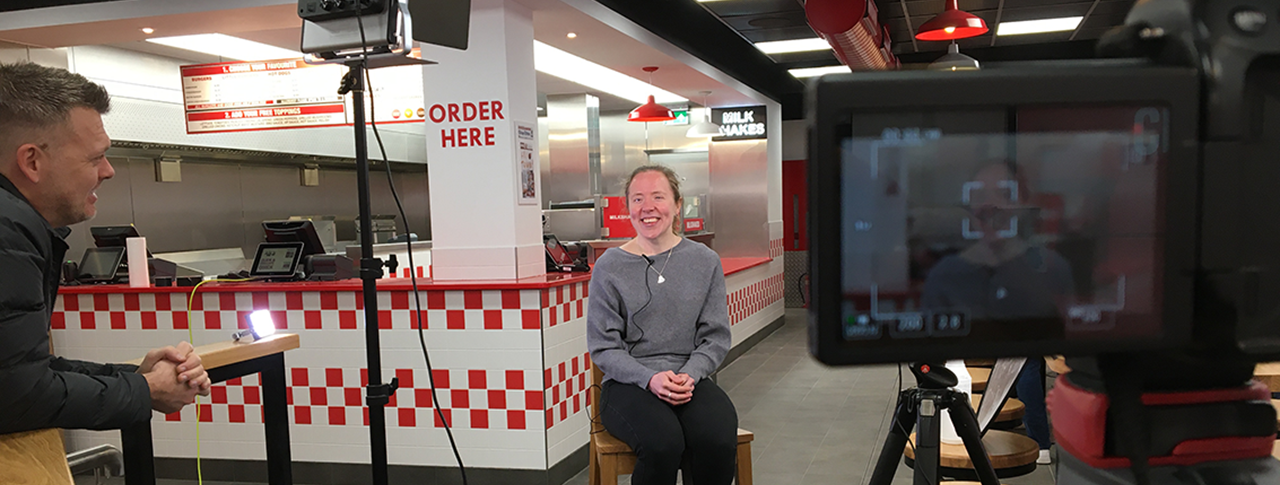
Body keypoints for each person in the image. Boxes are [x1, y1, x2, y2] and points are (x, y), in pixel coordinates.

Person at [0, 62, 211, 435]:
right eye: (95, 158)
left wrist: (133, 377)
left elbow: (20, 371)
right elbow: (20, 397)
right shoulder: (8, 235)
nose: (108, 170)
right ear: (32, 161)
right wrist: (146, 390)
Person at [587, 165, 738, 485]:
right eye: (638, 199)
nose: (647, 207)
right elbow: (603, 347)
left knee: (717, 440)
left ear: (677, 204)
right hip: (628, 385)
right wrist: (650, 378)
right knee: (663, 444)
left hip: (689, 379)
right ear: (627, 207)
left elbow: (715, 337)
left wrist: (691, 373)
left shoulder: (704, 260)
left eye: (658, 197)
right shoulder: (609, 266)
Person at [920, 162, 1073, 465]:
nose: (990, 204)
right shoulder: (943, 276)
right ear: (968, 205)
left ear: (1022, 204)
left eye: (1005, 193)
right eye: (980, 194)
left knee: (1028, 367)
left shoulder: (1053, 269)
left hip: (1026, 354)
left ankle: (1039, 441)